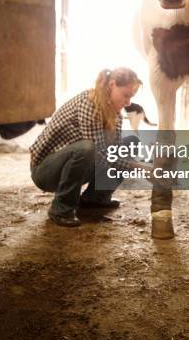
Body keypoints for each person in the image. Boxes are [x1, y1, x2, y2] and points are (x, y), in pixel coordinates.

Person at [30, 67, 147, 227]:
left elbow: (114, 153)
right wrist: (141, 168)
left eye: (131, 97)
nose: (128, 102)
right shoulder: (89, 104)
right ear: (112, 85)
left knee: (131, 143)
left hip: (76, 164)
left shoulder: (115, 113)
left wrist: (141, 165)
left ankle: (94, 199)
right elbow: (100, 155)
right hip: (46, 171)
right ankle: (61, 208)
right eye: (125, 95)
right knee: (87, 148)